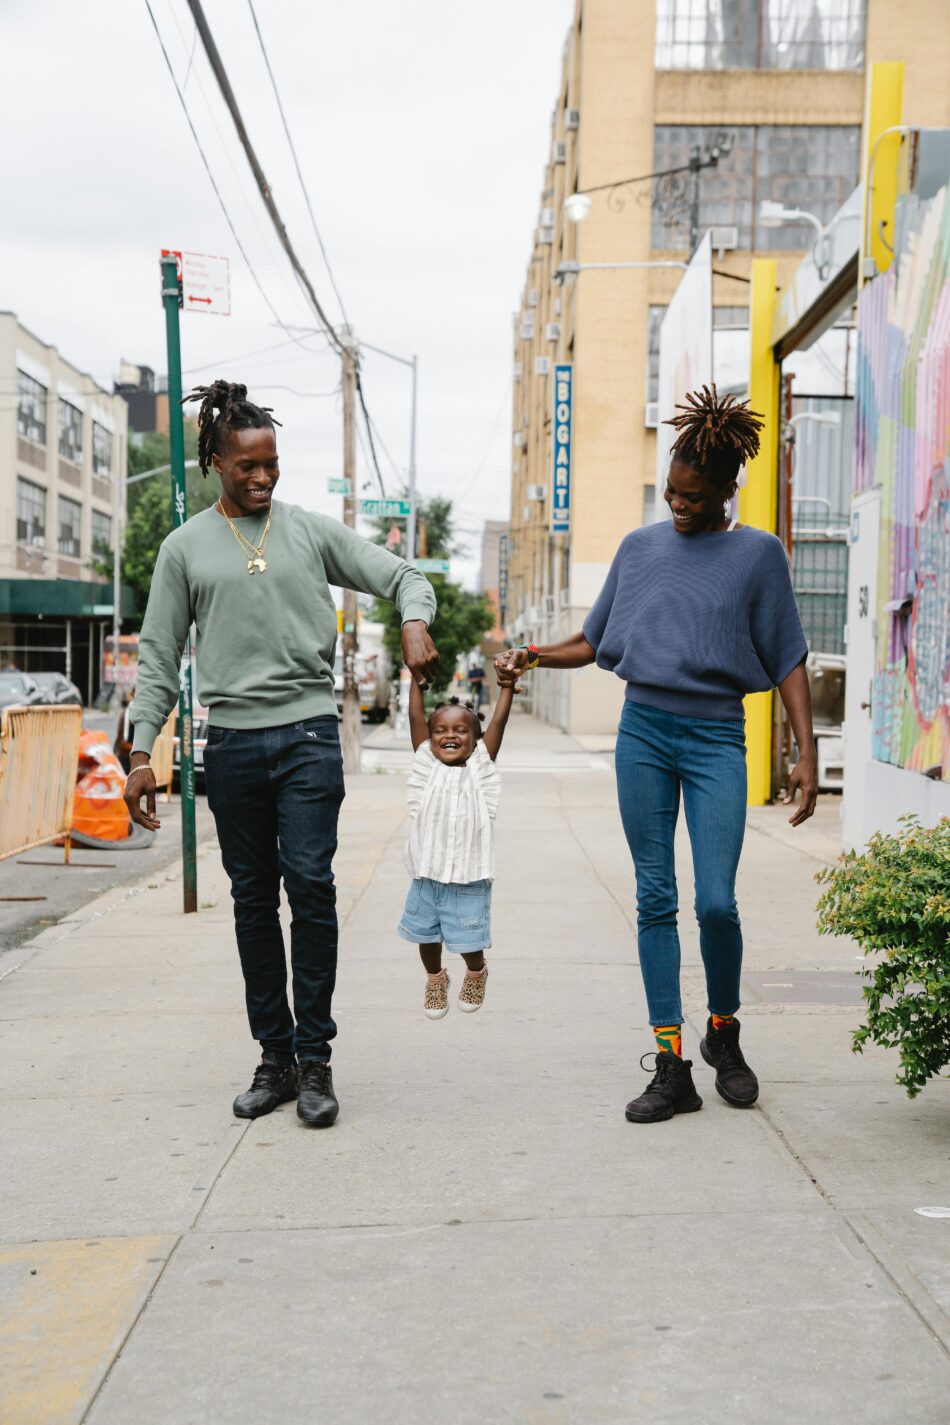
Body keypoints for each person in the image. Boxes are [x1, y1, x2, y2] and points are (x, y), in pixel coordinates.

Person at [495, 384, 817, 1125]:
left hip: (715, 738)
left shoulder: (757, 555)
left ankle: (723, 1033)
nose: (677, 504)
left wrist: (805, 751)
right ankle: (671, 1063)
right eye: (671, 491)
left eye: (692, 496)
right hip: (643, 730)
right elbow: (597, 639)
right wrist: (533, 655)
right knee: (653, 897)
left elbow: (789, 656)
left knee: (715, 901)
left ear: (727, 489)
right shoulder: (640, 549)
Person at [124, 380, 438, 1128]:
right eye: (247, 466)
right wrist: (141, 750)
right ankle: (277, 1057)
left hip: (304, 736)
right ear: (216, 463)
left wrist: (414, 621)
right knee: (252, 901)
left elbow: (403, 575)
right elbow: (160, 655)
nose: (262, 477)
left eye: (271, 463)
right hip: (230, 744)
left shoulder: (307, 531)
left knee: (311, 887)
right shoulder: (184, 549)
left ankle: (317, 1057)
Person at [398, 678, 514, 1017]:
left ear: (475, 740)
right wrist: (416, 680)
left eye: (461, 730)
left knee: (470, 941)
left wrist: (507, 686)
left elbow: (499, 722)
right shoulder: (426, 764)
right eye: (441, 731)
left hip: (469, 877)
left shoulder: (481, 768)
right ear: (431, 739)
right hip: (426, 874)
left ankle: (476, 972)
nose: (450, 735)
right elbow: (415, 717)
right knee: (425, 935)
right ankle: (436, 978)